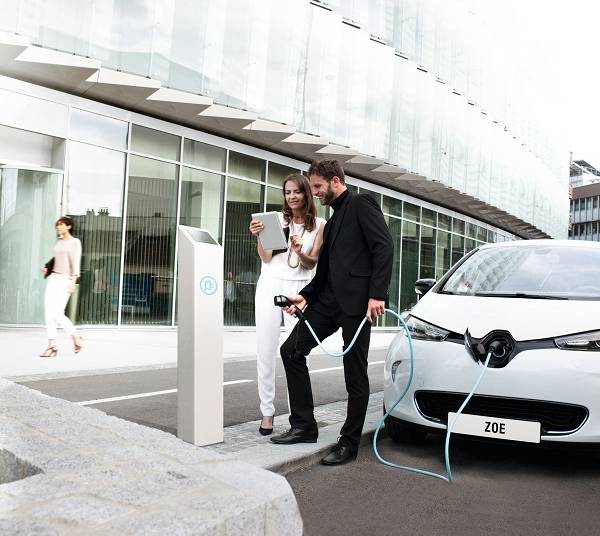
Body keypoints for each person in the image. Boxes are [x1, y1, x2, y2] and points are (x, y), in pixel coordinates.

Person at [270, 159, 393, 466]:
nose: (315, 192)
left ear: (335, 181)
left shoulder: (362, 204)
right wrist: (304, 296)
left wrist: (377, 294)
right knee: (291, 350)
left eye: (318, 186)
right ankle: (304, 426)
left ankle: (348, 443)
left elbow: (383, 246)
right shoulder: (335, 219)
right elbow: (325, 270)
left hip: (357, 306)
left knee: (355, 374)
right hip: (327, 303)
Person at [249, 174, 325, 435]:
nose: (291, 197)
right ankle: (266, 412)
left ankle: (299, 417)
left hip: (299, 289)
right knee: (265, 349)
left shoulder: (320, 225)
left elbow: (311, 263)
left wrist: (300, 249)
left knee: (297, 352)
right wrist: (260, 237)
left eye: (296, 192)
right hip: (269, 284)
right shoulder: (275, 220)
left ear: (306, 194)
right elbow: (266, 257)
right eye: (287, 192)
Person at [40, 216, 83, 357]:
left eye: (61, 224)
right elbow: (56, 259)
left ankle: (75, 336)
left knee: (57, 313)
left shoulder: (75, 242)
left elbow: (75, 262)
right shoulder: (58, 241)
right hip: (53, 278)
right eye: (57, 225)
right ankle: (52, 345)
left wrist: (73, 281)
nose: (58, 227)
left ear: (69, 226)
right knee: (48, 312)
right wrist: (47, 267)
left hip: (66, 279)